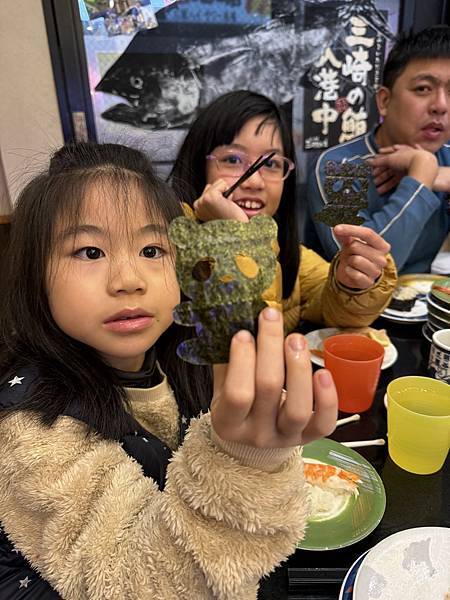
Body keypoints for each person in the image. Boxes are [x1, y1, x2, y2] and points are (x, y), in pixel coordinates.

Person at [0, 142, 338, 599]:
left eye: (153, 248)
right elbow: (131, 581)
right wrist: (240, 463)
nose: (129, 279)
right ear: (34, 274)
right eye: (90, 252)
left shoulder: (176, 351)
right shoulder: (31, 428)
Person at [170, 90, 397, 333]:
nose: (254, 182)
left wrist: (351, 284)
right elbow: (242, 337)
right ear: (198, 164)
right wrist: (235, 235)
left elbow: (333, 308)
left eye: (270, 164)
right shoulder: (167, 247)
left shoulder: (281, 246)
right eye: (233, 160)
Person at [306, 25, 450, 274]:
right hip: (356, 311)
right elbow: (365, 271)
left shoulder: (447, 155)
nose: (441, 105)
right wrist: (422, 176)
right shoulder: (341, 167)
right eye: (423, 89)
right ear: (384, 101)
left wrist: (439, 174)